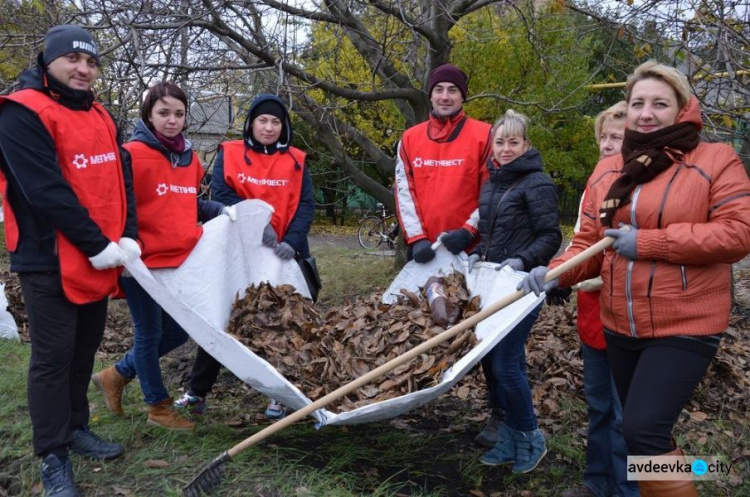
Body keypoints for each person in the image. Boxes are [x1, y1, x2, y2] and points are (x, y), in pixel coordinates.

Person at [520, 61, 750, 496]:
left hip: (685, 321)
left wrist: (648, 243)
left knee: (641, 429)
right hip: (620, 324)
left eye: (659, 103)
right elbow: (589, 241)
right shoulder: (609, 170)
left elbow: (738, 233)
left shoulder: (715, 159)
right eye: (637, 103)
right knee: (647, 435)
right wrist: (554, 274)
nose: (646, 113)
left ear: (682, 108)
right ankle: (702, 473)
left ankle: (703, 475)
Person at [0, 25, 139, 497]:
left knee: (84, 351)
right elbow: (44, 190)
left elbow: (121, 177)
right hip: (47, 257)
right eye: (72, 60)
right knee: (52, 358)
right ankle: (52, 454)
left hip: (98, 253)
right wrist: (97, 244)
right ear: (48, 61)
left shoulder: (100, 113)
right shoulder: (20, 113)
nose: (83, 69)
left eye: (92, 62)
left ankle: (76, 426)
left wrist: (128, 234)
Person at [91, 82, 235, 431]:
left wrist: (223, 210)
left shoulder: (190, 158)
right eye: (163, 113)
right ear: (148, 115)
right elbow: (116, 203)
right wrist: (124, 246)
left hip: (177, 263)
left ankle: (116, 374)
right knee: (149, 333)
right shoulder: (130, 153)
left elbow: (188, 204)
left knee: (177, 334)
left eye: (179, 113)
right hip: (139, 263)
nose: (172, 120)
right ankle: (158, 407)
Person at [174, 93, 315, 420]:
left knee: (284, 322)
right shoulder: (231, 153)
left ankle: (279, 394)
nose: (269, 127)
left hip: (284, 255)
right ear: (251, 122)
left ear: (284, 126)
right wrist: (257, 224)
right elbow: (223, 195)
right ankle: (197, 392)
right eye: (263, 120)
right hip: (240, 251)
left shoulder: (297, 159)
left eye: (276, 122)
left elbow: (306, 205)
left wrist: (291, 241)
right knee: (225, 317)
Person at [465, 110, 561, 473]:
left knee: (507, 363)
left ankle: (530, 436)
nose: (506, 149)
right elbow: (492, 233)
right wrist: (478, 254)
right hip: (493, 283)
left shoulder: (537, 183)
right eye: (500, 142)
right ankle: (508, 434)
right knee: (491, 361)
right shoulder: (492, 182)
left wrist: (523, 260)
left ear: (526, 144)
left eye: (514, 142)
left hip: (522, 286)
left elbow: (551, 236)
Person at [558, 102, 639, 497]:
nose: (608, 145)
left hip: (632, 314)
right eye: (603, 137)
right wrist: (558, 273)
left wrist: (598, 277)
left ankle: (630, 489)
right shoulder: (594, 181)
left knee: (631, 417)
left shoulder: (644, 183)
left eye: (617, 138)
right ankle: (597, 481)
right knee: (599, 406)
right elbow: (582, 242)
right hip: (594, 316)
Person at [394, 63, 491, 262]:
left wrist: (469, 231)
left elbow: (491, 191)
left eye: (452, 90)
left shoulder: (485, 135)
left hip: (469, 250)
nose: (445, 97)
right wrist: (416, 238)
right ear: (430, 95)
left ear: (462, 95)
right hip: (424, 250)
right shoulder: (410, 138)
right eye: (439, 90)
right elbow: (404, 192)